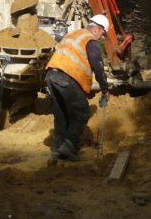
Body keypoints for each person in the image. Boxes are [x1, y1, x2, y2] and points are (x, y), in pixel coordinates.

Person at [45, 14, 110, 161]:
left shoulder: (74, 34)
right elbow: (98, 68)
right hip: (67, 77)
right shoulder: (91, 41)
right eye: (103, 34)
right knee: (82, 113)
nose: (102, 38)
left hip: (51, 75)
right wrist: (105, 90)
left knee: (61, 115)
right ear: (97, 29)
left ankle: (57, 151)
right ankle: (69, 147)